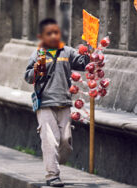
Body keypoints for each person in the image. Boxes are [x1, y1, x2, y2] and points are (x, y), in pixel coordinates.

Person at [24, 18, 89, 187]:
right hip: (45, 102)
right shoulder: (39, 54)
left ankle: (52, 161)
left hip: (64, 102)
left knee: (66, 142)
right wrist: (38, 68)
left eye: (56, 32)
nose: (53, 36)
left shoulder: (67, 52)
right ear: (42, 36)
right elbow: (28, 76)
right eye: (49, 33)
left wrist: (90, 50)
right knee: (50, 140)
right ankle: (52, 175)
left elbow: (83, 64)